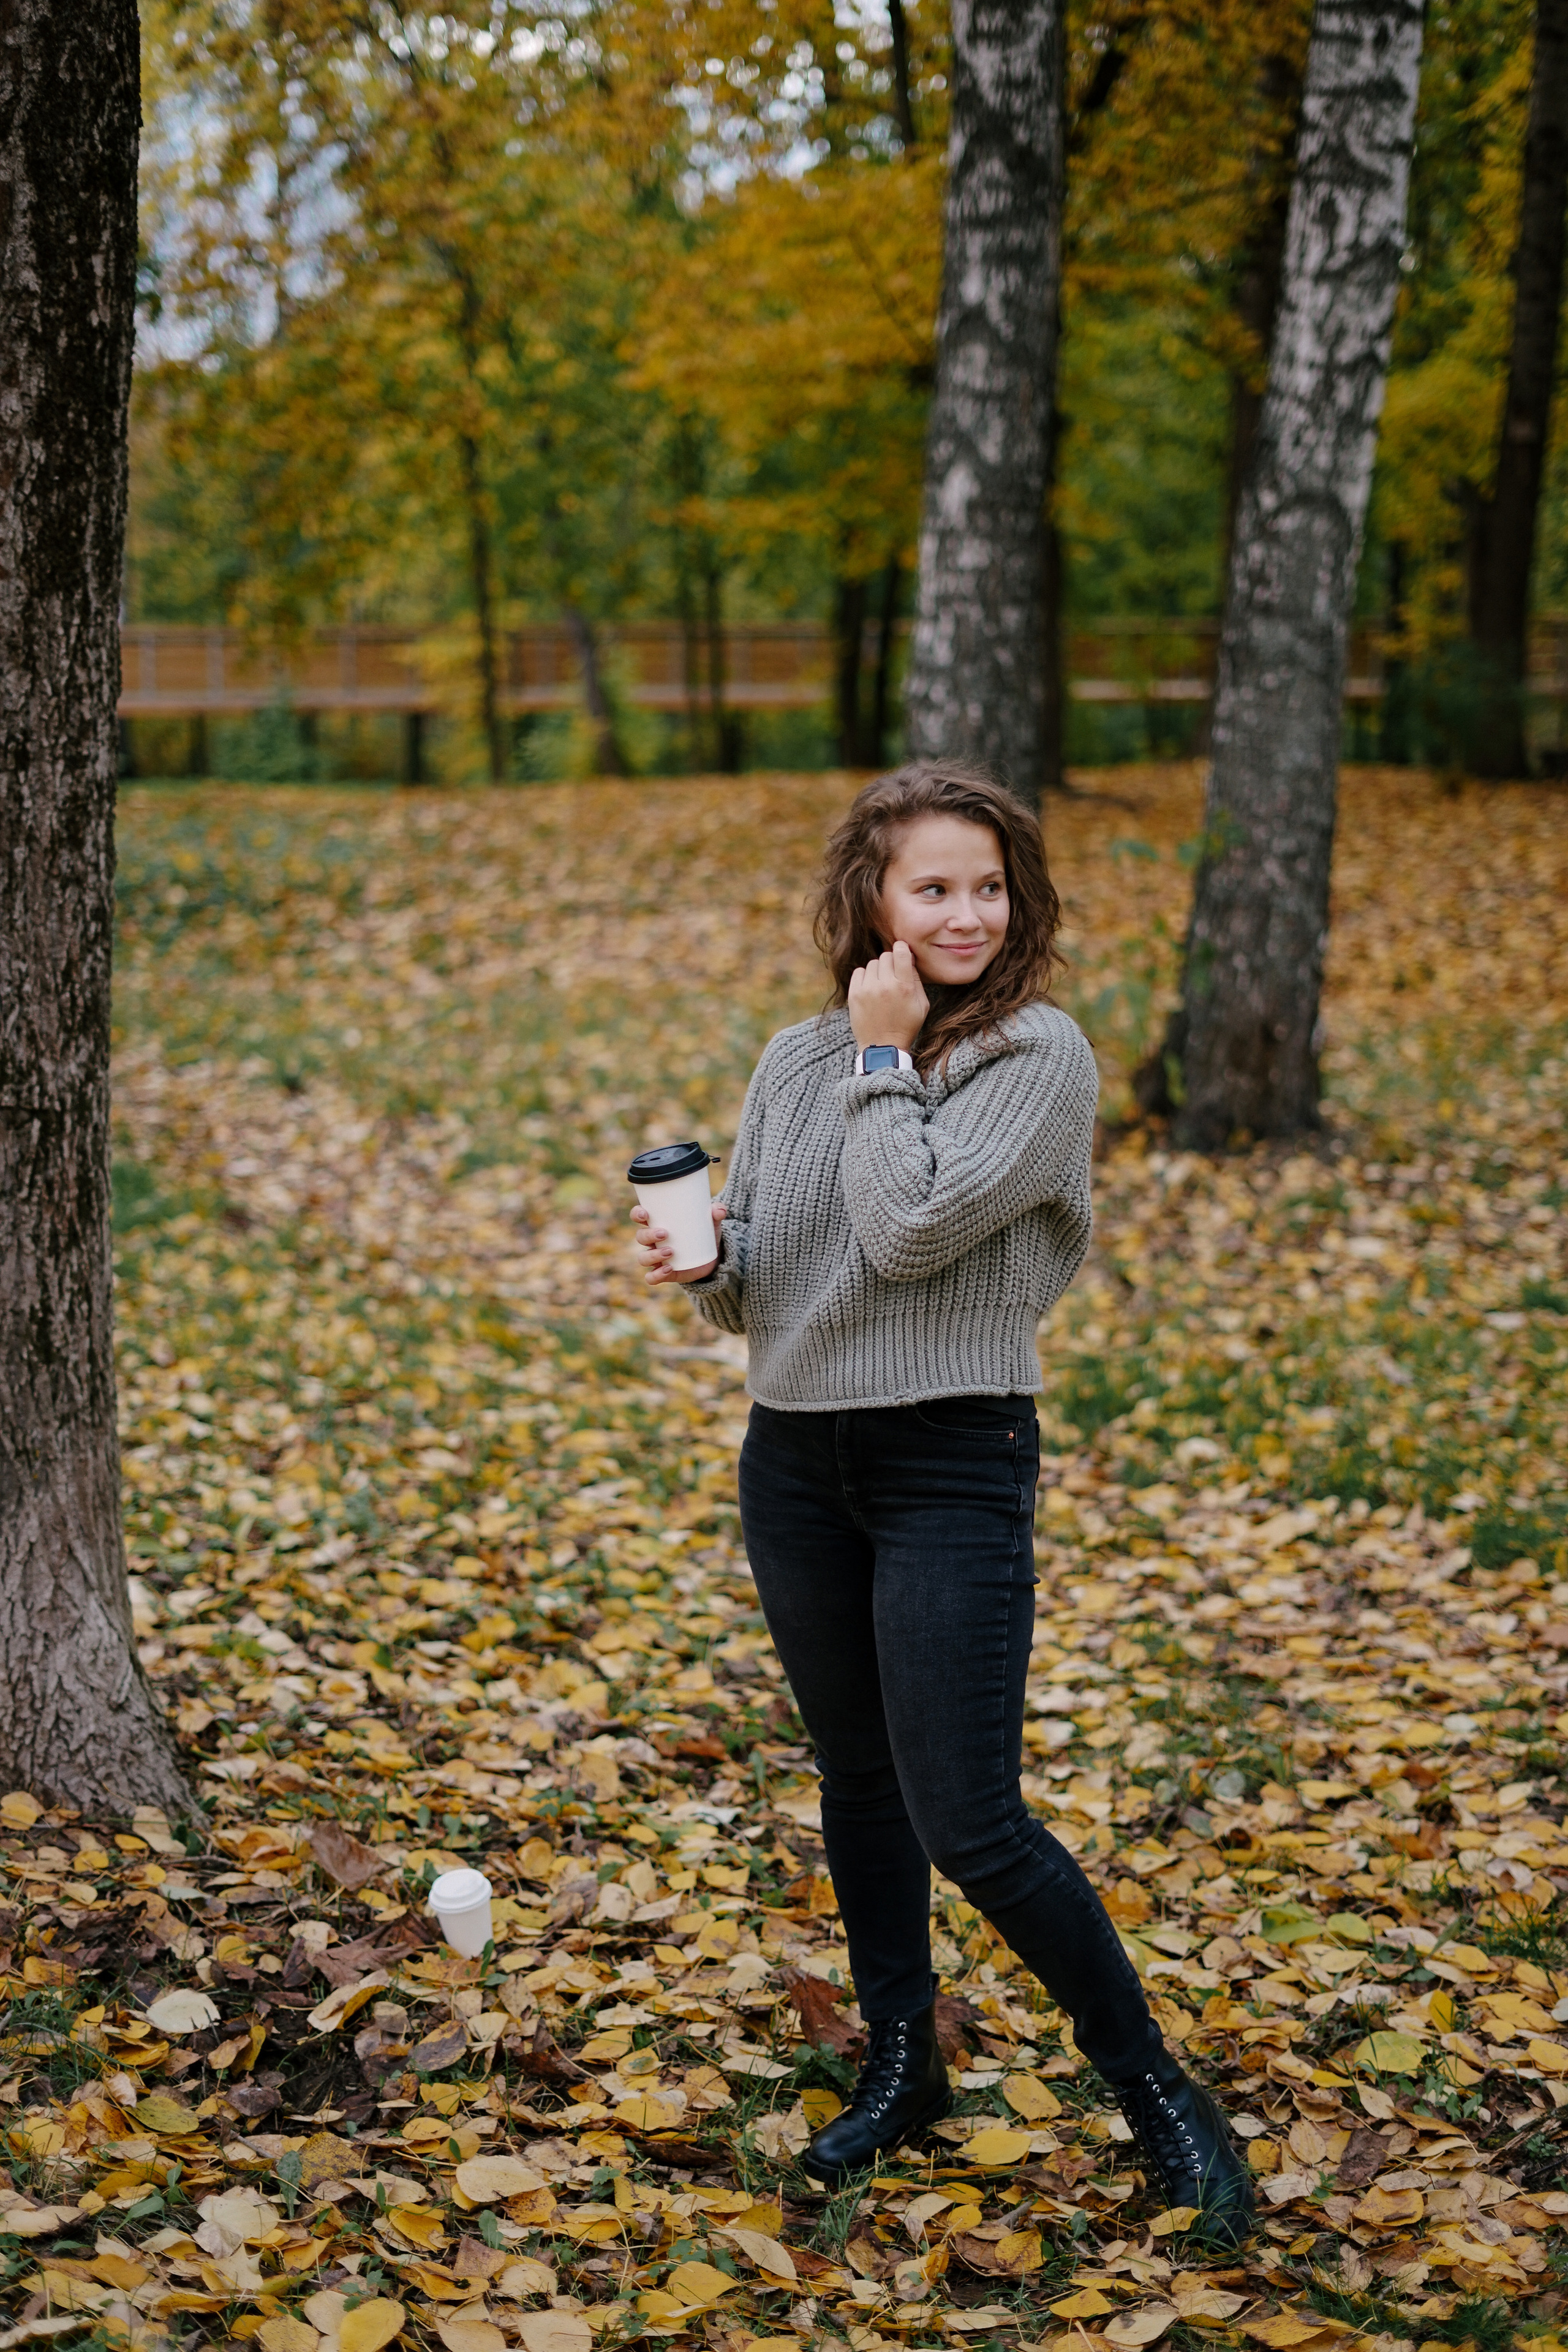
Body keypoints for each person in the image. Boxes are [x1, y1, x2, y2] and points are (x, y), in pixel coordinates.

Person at [630, 761, 1253, 2248]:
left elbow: (908, 1230)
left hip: (947, 1462)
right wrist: (708, 1261)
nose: (965, 911)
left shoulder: (1036, 1059)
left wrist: (882, 1059)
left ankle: (1154, 2086)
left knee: (967, 1817)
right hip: (793, 1461)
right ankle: (904, 2062)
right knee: (857, 1783)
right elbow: (763, 1294)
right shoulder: (800, 1058)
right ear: (870, 899)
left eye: (987, 886)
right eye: (932, 886)